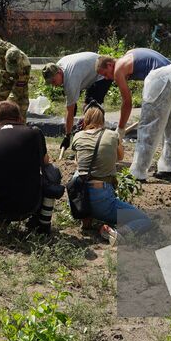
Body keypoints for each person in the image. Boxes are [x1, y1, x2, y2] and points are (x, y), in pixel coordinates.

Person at [97, 48, 171, 182]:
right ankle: (167, 168)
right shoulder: (129, 54)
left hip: (161, 78)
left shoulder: (118, 70)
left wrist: (120, 129)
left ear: (110, 65)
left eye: (105, 73)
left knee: (148, 127)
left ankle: (137, 173)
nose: (106, 78)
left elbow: (127, 102)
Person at [0, 100, 60, 234]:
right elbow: (45, 161)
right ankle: (42, 224)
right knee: (53, 171)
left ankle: (1, 221)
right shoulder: (34, 133)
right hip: (28, 206)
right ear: (20, 118)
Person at [69, 103, 151, 240]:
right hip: (101, 199)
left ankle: (86, 219)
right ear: (103, 120)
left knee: (79, 173)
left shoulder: (77, 136)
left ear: (85, 120)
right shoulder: (112, 135)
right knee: (144, 220)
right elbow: (120, 157)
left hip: (78, 200)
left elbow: (78, 162)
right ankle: (119, 234)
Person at [43, 52, 113, 151]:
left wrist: (67, 135)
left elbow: (69, 111)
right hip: (90, 70)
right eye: (50, 83)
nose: (53, 85)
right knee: (86, 107)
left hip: (102, 73)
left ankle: (94, 144)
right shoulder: (58, 66)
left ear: (59, 72)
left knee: (92, 110)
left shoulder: (70, 80)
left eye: (53, 81)